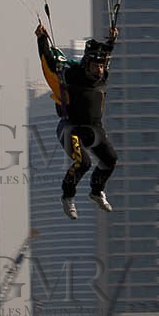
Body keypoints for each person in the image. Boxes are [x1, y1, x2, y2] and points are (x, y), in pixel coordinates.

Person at [36, 21, 119, 219]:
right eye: (96, 66)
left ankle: (96, 191)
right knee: (83, 162)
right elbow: (49, 62)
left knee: (110, 159)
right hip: (70, 128)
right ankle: (67, 196)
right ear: (87, 64)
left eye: (101, 66)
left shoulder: (102, 76)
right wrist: (41, 38)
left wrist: (112, 41)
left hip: (94, 129)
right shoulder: (73, 75)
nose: (99, 69)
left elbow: (106, 56)